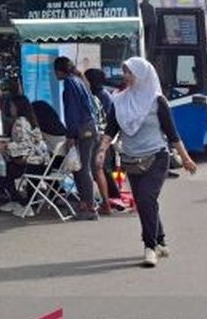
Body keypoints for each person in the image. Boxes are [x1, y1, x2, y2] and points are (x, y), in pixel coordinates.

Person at [100, 57, 197, 268]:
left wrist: (186, 159)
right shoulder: (119, 100)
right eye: (124, 71)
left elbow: (172, 134)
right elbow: (111, 128)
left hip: (157, 156)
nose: (125, 76)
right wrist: (101, 150)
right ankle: (161, 240)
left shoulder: (157, 101)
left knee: (144, 199)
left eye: (129, 72)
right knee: (147, 202)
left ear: (142, 75)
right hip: (131, 158)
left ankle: (150, 247)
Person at [55, 56, 100, 220]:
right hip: (90, 127)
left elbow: (71, 112)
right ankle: (86, 204)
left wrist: (71, 135)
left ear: (59, 70)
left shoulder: (69, 83)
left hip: (82, 129)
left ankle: (89, 206)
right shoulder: (79, 80)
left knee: (82, 168)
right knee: (83, 167)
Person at [0, 94, 50, 215]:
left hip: (30, 163)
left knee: (4, 168)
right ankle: (26, 200)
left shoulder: (19, 122)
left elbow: (24, 145)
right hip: (42, 161)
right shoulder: (32, 120)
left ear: (18, 107)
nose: (10, 109)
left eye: (11, 106)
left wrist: (6, 147)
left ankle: (16, 199)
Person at [84, 68, 123, 214]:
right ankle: (112, 197)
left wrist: (107, 139)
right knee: (103, 169)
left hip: (104, 136)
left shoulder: (102, 96)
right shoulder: (98, 94)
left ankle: (113, 198)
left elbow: (108, 118)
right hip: (104, 136)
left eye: (86, 78)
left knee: (103, 168)